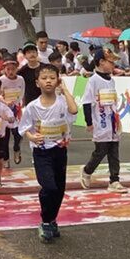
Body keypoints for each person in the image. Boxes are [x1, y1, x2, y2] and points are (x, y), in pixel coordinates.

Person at [18, 63, 78, 243]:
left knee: (59, 189)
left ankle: (52, 220)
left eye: (52, 78)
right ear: (37, 83)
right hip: (42, 152)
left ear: (58, 80)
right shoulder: (32, 107)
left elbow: (74, 110)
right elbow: (24, 128)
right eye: (44, 78)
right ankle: (45, 221)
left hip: (60, 150)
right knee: (49, 186)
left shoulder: (62, 103)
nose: (48, 81)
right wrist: (31, 136)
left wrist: (65, 90)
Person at [80, 49, 125, 192]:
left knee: (114, 152)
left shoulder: (111, 81)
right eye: (111, 62)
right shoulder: (93, 81)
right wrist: (89, 122)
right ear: (101, 62)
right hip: (100, 121)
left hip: (112, 121)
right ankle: (87, 170)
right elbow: (87, 102)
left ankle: (114, 180)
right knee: (101, 151)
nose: (113, 65)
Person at [0, 59, 26, 165]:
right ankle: (6, 159)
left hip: (16, 109)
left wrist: (19, 104)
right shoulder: (1, 80)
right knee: (5, 137)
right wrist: (5, 102)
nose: (10, 72)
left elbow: (22, 92)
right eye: (8, 69)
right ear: (4, 70)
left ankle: (16, 148)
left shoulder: (21, 79)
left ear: (17, 69)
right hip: (5, 110)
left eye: (13, 69)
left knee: (18, 133)